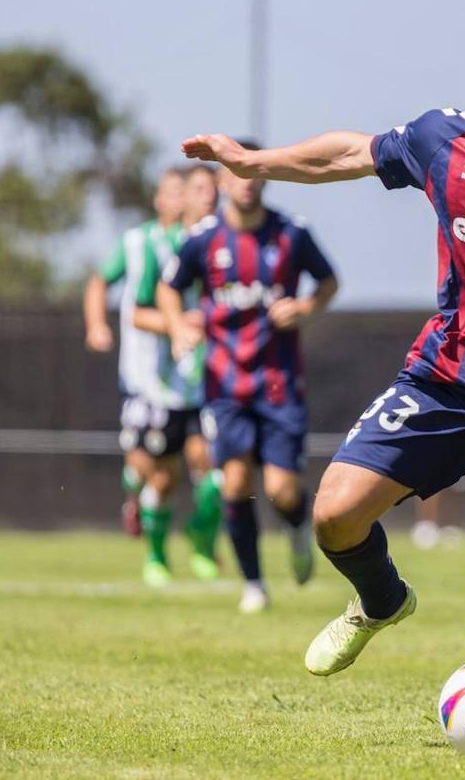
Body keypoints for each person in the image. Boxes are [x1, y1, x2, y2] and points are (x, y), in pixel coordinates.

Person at [182, 4, 465, 672]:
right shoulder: (442, 139)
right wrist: (252, 162)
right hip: (447, 373)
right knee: (334, 515)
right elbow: (350, 152)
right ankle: (381, 599)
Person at [159, 147, 339, 612]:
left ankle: (298, 527)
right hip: (224, 385)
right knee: (235, 483)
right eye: (236, 172)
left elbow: (328, 282)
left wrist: (304, 308)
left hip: (279, 383)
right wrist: (180, 326)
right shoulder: (203, 241)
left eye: (254, 171)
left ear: (266, 177)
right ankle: (255, 584)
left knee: (281, 489)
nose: (246, 181)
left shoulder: (291, 233)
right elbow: (168, 288)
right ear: (221, 182)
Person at [129, 163, 226, 583]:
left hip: (209, 380)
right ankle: (156, 557)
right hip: (166, 386)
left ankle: (201, 538)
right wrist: (179, 325)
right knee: (164, 478)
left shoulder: (226, 242)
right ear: (184, 197)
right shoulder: (161, 247)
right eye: (201, 189)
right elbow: (138, 311)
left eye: (214, 189)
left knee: (217, 471)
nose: (210, 197)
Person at [83, 168, 187, 539]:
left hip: (190, 374)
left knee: (171, 468)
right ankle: (137, 496)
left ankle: (184, 531)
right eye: (173, 192)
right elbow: (100, 281)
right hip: (142, 373)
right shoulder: (137, 242)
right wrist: (96, 324)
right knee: (145, 460)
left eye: (185, 192)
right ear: (158, 200)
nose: (181, 199)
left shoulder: (204, 238)